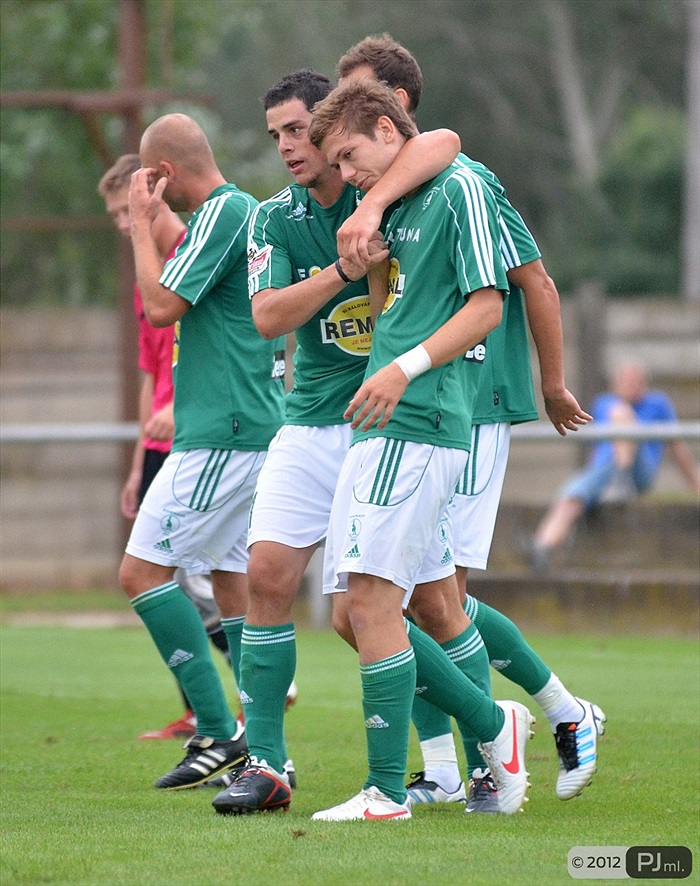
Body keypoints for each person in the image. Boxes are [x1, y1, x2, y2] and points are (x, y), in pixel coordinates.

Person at [209, 69, 499, 816]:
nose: (288, 147)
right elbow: (269, 317)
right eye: (275, 134)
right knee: (268, 574)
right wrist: (343, 269)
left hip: (392, 424)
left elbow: (441, 139)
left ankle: (490, 744)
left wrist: (369, 203)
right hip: (311, 423)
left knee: (431, 606)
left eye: (298, 131)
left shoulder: (404, 190)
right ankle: (269, 765)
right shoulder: (276, 218)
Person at [334, 34, 607, 810]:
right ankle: (466, 757)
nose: (344, 121)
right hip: (415, 408)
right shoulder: (384, 196)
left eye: (361, 95)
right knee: (398, 602)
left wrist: (552, 385)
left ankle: (527, 728)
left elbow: (531, 285)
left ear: (399, 110)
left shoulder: (462, 178)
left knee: (432, 597)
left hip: (470, 404)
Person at [301, 79, 537, 823]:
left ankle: (383, 794)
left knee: (372, 604)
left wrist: (403, 367)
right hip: (384, 418)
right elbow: (392, 301)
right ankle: (495, 726)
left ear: (384, 126)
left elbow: (489, 306)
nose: (347, 175)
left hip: (422, 417)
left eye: (350, 155)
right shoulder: (397, 201)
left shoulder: (460, 187)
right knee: (353, 614)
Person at [119, 113, 286, 790]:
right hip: (236, 426)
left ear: (165, 173)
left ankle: (220, 732)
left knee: (140, 573)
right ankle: (266, 746)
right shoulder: (228, 218)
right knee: (229, 584)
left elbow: (160, 306)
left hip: (225, 431)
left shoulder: (226, 211)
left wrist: (138, 222)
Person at [99, 153, 231, 742]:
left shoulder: (206, 242)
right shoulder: (147, 268)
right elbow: (157, 365)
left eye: (126, 210)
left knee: (176, 577)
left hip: (211, 435)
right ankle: (217, 718)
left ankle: (231, 717)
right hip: (173, 440)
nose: (123, 223)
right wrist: (138, 461)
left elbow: (229, 342)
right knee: (198, 578)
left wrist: (178, 408)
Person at [531, 361, 700, 569]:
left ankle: (623, 480)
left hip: (639, 470)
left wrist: (696, 486)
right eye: (627, 381)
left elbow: (677, 448)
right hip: (605, 471)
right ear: (616, 384)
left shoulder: (657, 404)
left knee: (622, 415)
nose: (632, 386)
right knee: (572, 495)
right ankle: (541, 546)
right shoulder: (603, 403)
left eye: (637, 381)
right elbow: (597, 450)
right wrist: (591, 484)